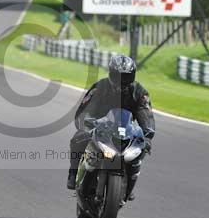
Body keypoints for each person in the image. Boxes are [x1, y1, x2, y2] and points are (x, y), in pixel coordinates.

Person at [66, 54, 155, 199]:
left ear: (132, 76)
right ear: (111, 73)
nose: (121, 81)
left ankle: (129, 183)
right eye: (117, 75)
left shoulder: (139, 92)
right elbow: (85, 109)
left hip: (125, 131)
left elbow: (145, 114)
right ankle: (73, 172)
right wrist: (86, 124)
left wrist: (148, 133)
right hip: (99, 127)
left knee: (142, 147)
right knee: (78, 138)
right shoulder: (100, 87)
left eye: (125, 77)